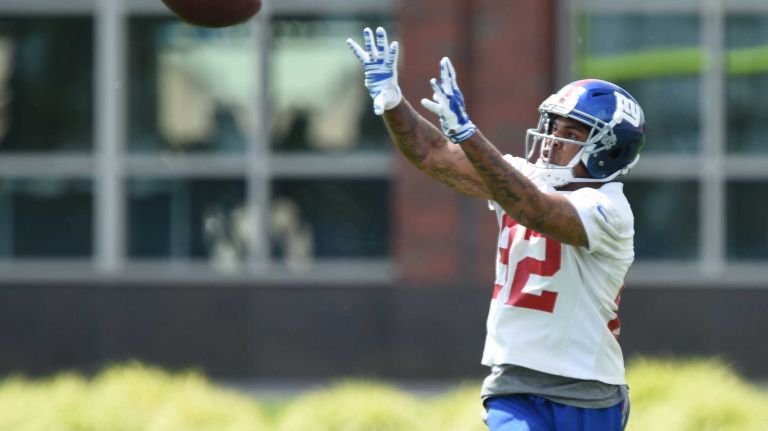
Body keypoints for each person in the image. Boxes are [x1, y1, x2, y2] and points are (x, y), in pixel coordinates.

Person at [347, 27, 645, 431]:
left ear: (608, 151)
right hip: (513, 385)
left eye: (571, 135)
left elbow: (535, 210)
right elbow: (434, 154)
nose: (552, 141)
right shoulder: (525, 178)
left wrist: (469, 136)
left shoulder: (610, 209)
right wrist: (392, 101)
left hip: (587, 391)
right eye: (553, 127)